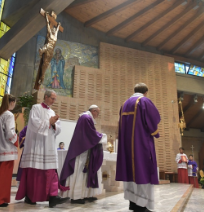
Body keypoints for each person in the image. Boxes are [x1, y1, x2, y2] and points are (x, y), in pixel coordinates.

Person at [15, 90, 69, 208]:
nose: (54, 101)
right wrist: (49, 122)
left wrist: (54, 124)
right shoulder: (36, 108)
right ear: (46, 97)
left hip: (48, 145)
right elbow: (34, 123)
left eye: (55, 99)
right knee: (36, 171)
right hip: (37, 145)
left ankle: (53, 197)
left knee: (50, 171)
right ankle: (32, 197)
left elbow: (58, 128)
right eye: (52, 99)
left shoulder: (52, 111)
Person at [116, 83, 161, 212]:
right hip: (141, 144)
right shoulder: (144, 101)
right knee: (142, 171)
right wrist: (155, 133)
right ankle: (142, 205)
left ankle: (133, 203)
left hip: (126, 146)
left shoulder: (124, 104)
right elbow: (153, 120)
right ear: (146, 92)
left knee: (130, 172)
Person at [60, 105, 107, 204]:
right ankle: (76, 197)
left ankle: (85, 194)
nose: (97, 115)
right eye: (97, 113)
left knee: (84, 173)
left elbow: (90, 133)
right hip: (80, 151)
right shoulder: (86, 117)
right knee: (79, 172)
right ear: (93, 111)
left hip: (84, 150)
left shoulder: (86, 117)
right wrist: (102, 136)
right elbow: (91, 134)